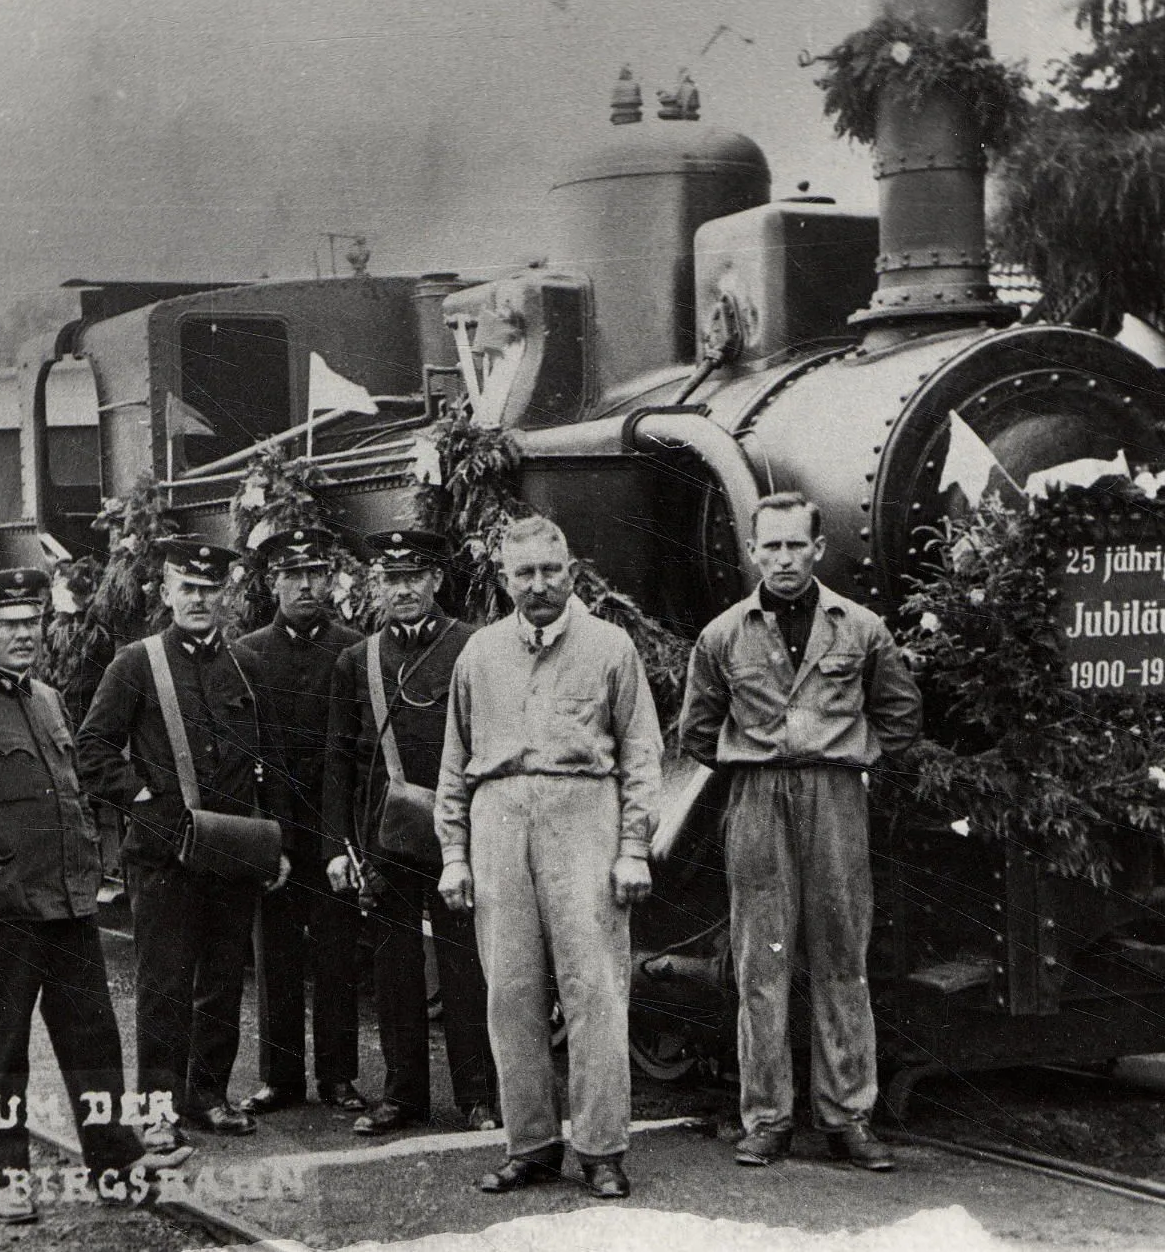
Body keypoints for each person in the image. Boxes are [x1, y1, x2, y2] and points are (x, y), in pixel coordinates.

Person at [0, 562, 189, 1227]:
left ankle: (115, 1163)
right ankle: (7, 1175)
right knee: (2, 1051)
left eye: (33, 622)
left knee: (94, 1043)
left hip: (66, 906)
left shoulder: (47, 699)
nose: (25, 634)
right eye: (8, 624)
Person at [677, 492, 922, 1173]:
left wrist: (850, 754)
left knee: (843, 956)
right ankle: (767, 1118)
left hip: (835, 796)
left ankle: (847, 1117)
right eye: (770, 546)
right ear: (752, 551)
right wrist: (754, 758)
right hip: (755, 797)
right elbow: (696, 729)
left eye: (795, 545)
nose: (782, 559)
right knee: (761, 960)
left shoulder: (860, 627)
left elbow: (899, 714)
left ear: (817, 549)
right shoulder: (723, 634)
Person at [436, 514, 662, 1199]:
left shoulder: (609, 646)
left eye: (550, 570)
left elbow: (642, 755)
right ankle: (529, 1143)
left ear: (571, 570)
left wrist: (632, 848)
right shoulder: (477, 653)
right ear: (505, 579)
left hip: (583, 818)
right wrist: (453, 852)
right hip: (498, 820)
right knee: (510, 992)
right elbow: (453, 761)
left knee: (593, 988)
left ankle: (600, 1148)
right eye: (524, 572)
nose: (539, 584)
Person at [76, 538, 283, 1146]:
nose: (198, 599)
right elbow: (92, 749)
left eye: (208, 588)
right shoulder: (136, 664)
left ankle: (208, 1098)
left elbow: (266, 759)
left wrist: (273, 840)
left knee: (222, 980)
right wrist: (145, 799)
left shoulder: (244, 665)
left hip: (234, 849)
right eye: (186, 588)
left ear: (224, 594)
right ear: (165, 593)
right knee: (164, 983)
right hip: (164, 856)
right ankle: (159, 1111)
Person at [325, 530, 498, 1136]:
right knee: (395, 969)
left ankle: (478, 1095)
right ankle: (403, 1097)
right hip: (387, 838)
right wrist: (337, 845)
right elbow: (339, 762)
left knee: (465, 966)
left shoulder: (474, 647)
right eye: (390, 578)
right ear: (376, 585)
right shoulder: (359, 660)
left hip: (461, 837)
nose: (402, 589)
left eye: (414, 577)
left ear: (436, 583)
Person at [232, 526, 367, 1115]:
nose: (306, 584)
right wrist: (265, 834)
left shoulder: (356, 648)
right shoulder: (248, 652)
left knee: (338, 951)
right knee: (276, 953)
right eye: (292, 575)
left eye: (315, 572)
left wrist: (349, 835)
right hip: (275, 827)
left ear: (331, 578)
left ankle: (338, 1078)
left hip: (335, 826)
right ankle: (280, 1078)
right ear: (272, 583)